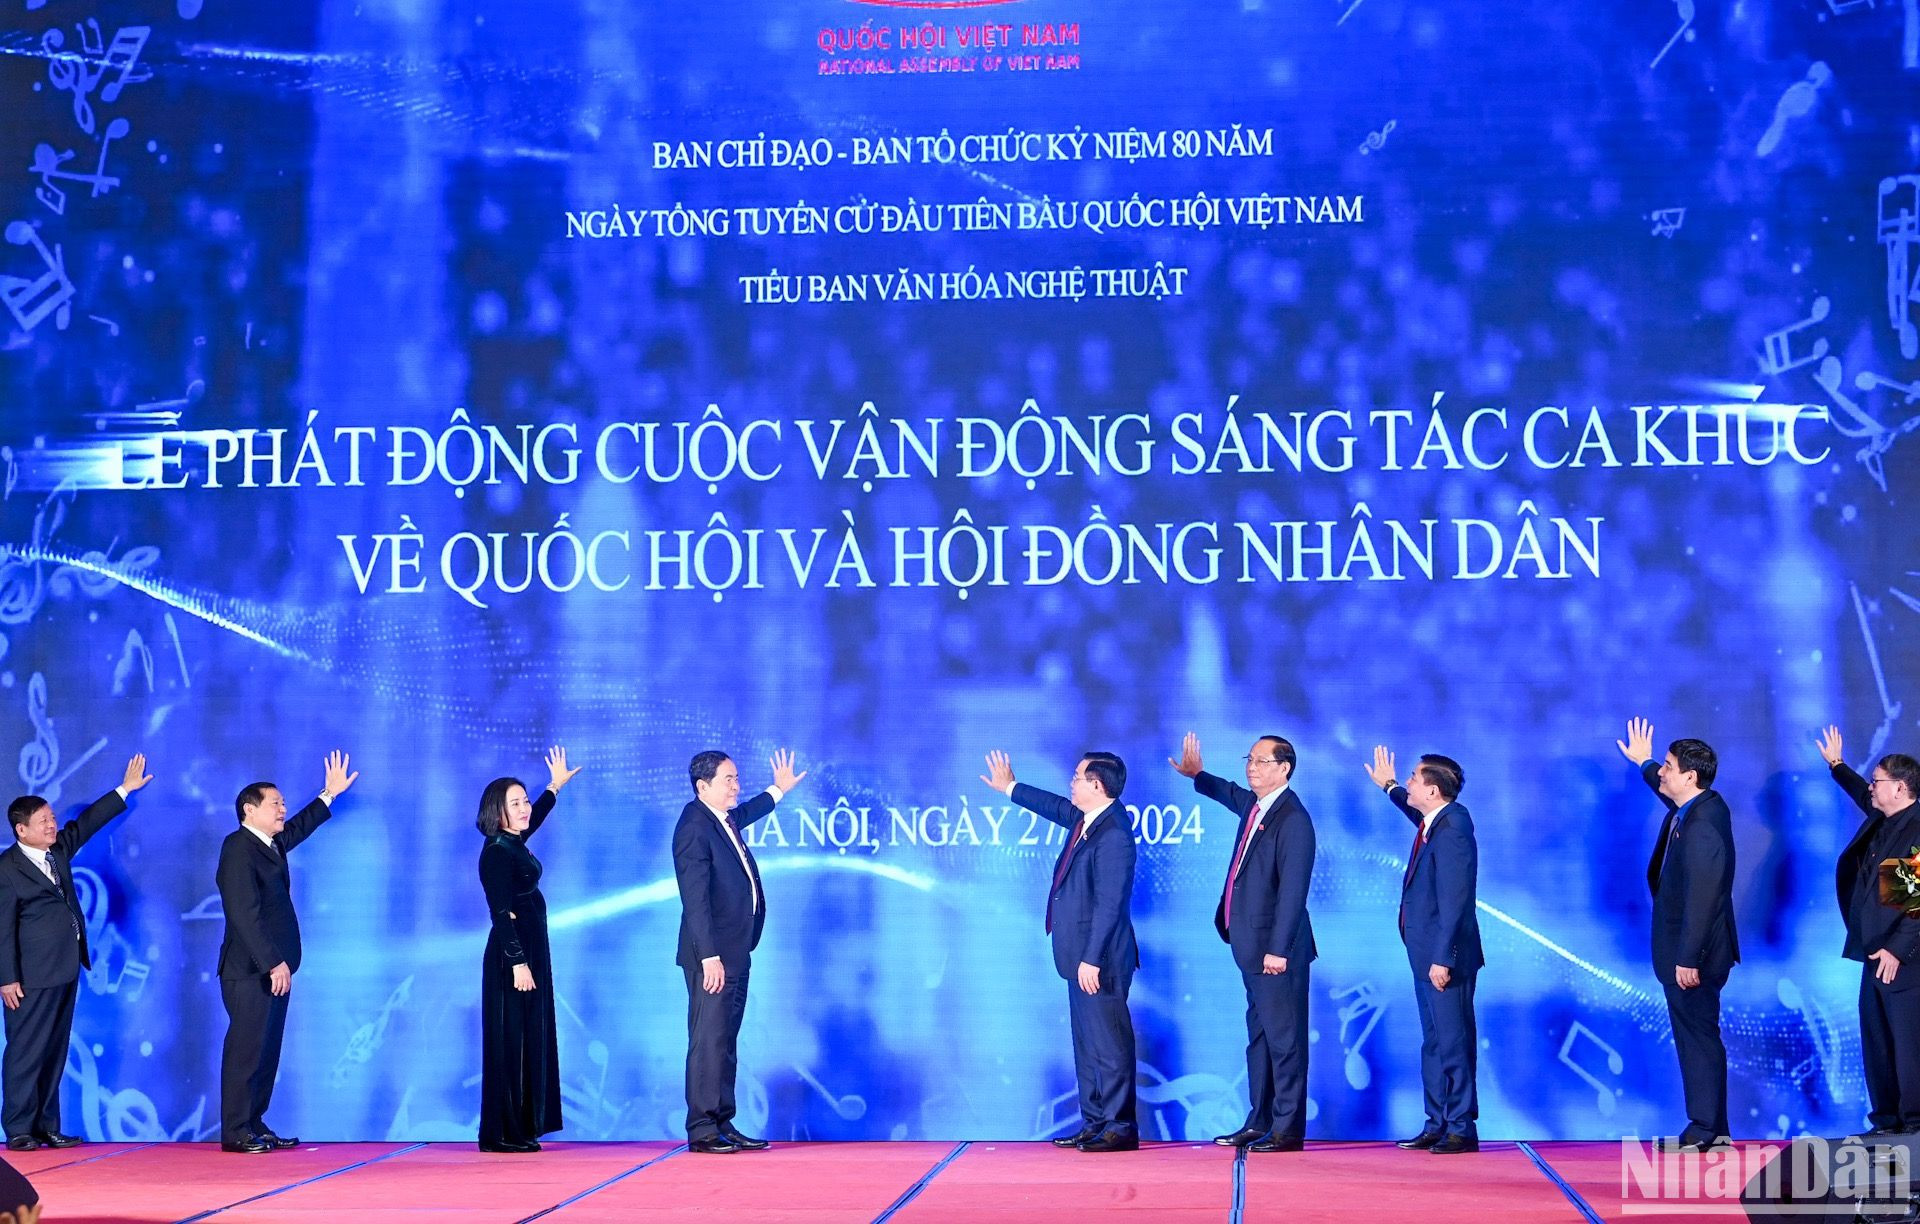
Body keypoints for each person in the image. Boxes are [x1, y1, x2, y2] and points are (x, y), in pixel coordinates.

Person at [983, 748, 1140, 1153]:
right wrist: (1010, 787)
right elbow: (1053, 806)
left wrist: (1092, 957)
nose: (1070, 782)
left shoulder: (1115, 835)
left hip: (1099, 959)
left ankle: (1119, 1126)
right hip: (1077, 955)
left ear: (1097, 785)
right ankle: (1095, 1121)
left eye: (1077, 777)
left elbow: (1111, 903)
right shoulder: (1087, 821)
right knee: (1087, 1043)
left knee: (1108, 1042)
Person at [1169, 732, 1315, 1153]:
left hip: (1276, 952)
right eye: (1249, 759)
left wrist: (1279, 949)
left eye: (1261, 761)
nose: (1251, 767)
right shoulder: (1256, 806)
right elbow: (1228, 792)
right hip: (1249, 947)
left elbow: (1293, 892)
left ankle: (1287, 1129)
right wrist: (1198, 775)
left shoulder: (1294, 819)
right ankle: (1261, 1119)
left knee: (1285, 1041)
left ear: (1284, 768)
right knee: (1260, 1037)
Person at [0, 755, 152, 1151]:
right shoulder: (7, 868)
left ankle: (46, 1126)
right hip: (28, 977)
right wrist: (6, 976)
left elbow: (86, 823)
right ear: (21, 829)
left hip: (65, 969)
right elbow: (1, 928)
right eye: (43, 821)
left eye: (52, 817)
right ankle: (18, 1128)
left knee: (54, 1050)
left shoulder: (58, 851)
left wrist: (124, 790)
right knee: (25, 1053)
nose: (52, 825)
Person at [215, 751, 358, 1154]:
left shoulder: (269, 844)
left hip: (273, 969)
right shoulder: (237, 847)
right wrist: (272, 961)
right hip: (249, 969)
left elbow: (296, 829)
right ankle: (235, 1130)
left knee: (266, 1050)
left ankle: (254, 1122)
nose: (283, 808)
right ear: (249, 810)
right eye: (275, 803)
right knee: (246, 1049)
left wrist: (328, 794)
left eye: (282, 802)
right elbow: (243, 913)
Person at [673, 748, 805, 1154]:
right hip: (711, 956)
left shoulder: (722, 819)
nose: (736, 785)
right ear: (703, 786)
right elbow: (695, 899)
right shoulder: (694, 826)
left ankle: (722, 1120)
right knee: (708, 1039)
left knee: (726, 1039)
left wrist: (778, 791)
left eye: (735, 777)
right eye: (728, 779)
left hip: (735, 951)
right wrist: (709, 955)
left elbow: (746, 812)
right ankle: (702, 1128)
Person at [1615, 718, 1738, 1151]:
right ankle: (1710, 1127)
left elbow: (1704, 899)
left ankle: (1705, 1129)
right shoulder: (1695, 808)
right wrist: (1644, 761)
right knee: (1695, 1036)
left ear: (1690, 775)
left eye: (1668, 766)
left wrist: (1687, 957)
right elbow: (1665, 789)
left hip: (1696, 957)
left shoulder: (1703, 824)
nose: (1662, 772)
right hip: (1688, 953)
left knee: (1698, 1038)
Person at [1365, 746, 1483, 1154]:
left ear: (1433, 790)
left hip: (1443, 958)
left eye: (1414, 778)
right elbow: (1414, 811)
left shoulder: (1454, 829)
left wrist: (1443, 957)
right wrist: (1389, 787)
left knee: (1452, 1040)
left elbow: (1456, 899)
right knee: (1433, 1042)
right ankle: (1437, 1122)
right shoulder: (1436, 820)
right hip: (1425, 954)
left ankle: (1461, 1127)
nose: (1409, 782)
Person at [1815, 726, 1920, 1136]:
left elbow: (1914, 906)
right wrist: (1838, 766)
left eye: (1878, 782)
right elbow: (1862, 795)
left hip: (1903, 960)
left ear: (1899, 788)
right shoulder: (1884, 817)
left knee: (1907, 1043)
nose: (1872, 789)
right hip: (1874, 953)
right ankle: (1887, 1120)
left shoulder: (1914, 831)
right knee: (1877, 1040)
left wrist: (1897, 950)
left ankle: (1914, 1124)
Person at [477, 747, 581, 1153]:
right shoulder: (496, 852)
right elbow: (500, 913)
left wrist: (554, 786)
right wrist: (518, 962)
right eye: (515, 804)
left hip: (531, 953)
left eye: (524, 802)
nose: (524, 810)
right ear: (496, 812)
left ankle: (524, 1124)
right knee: (511, 1041)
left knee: (528, 1039)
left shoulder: (513, 843)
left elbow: (534, 818)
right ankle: (504, 1132)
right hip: (512, 960)